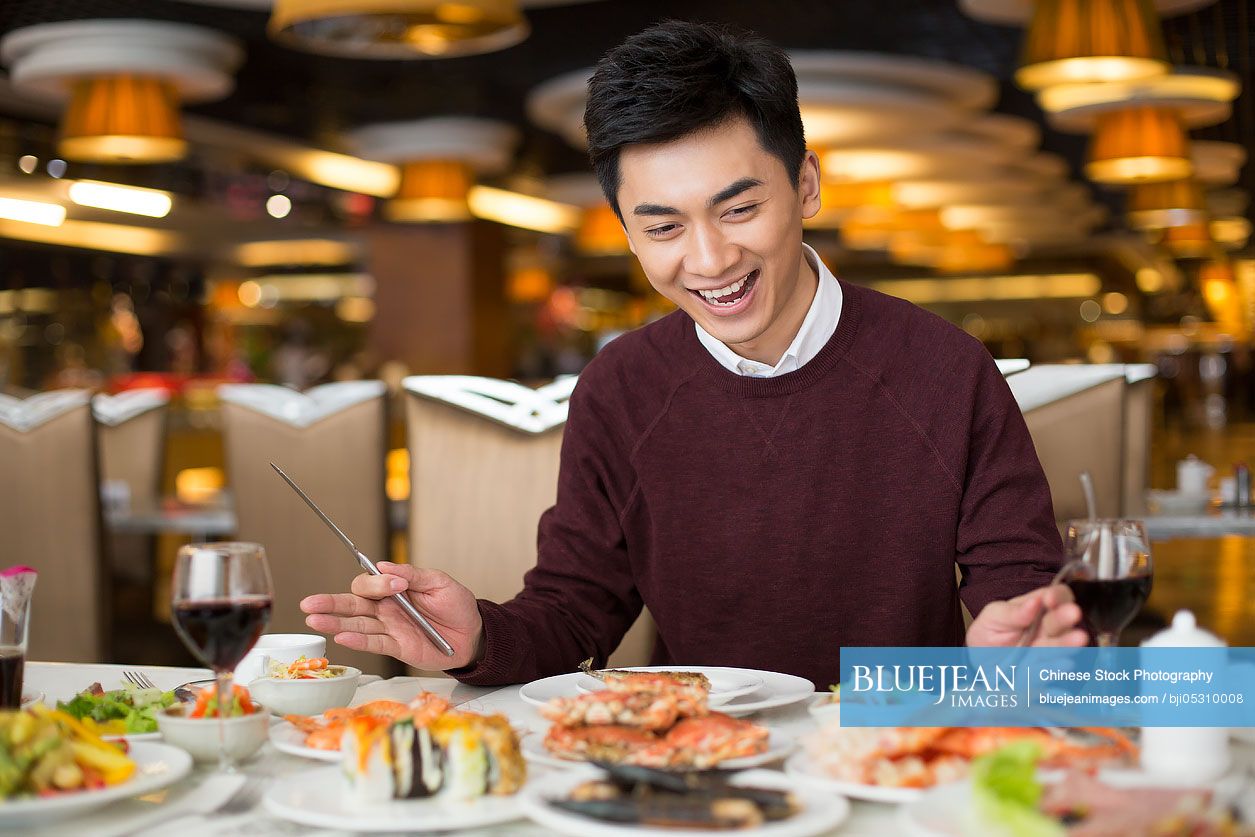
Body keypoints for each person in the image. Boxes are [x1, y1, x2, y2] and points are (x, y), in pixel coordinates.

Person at [302, 20, 1086, 688]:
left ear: (806, 184)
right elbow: (577, 609)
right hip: (690, 758)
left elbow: (1020, 593)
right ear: (626, 230)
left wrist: (1012, 654)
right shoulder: (621, 386)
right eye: (663, 227)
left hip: (895, 744)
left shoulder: (945, 368)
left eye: (738, 208)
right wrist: (477, 638)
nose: (708, 260)